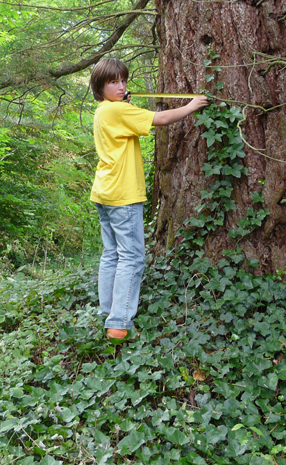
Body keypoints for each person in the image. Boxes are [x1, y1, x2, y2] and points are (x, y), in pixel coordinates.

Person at [89, 57, 208, 341]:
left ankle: (108, 312)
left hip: (105, 192)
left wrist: (125, 102)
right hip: (123, 194)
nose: (121, 86)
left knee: (112, 254)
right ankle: (119, 324)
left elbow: (127, 119)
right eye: (113, 82)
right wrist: (191, 106)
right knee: (132, 257)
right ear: (100, 86)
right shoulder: (118, 111)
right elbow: (161, 119)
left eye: (123, 80)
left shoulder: (105, 111)